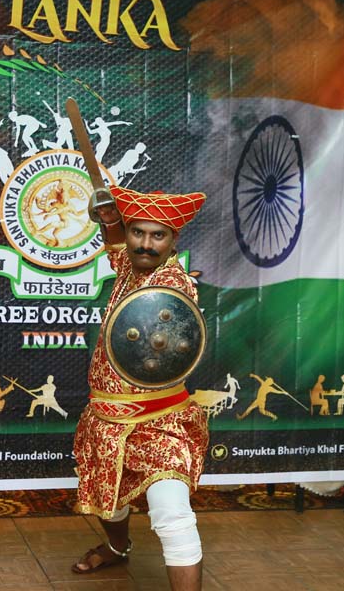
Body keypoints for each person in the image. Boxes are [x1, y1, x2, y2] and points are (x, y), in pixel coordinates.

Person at [72, 184, 208, 591]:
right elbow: (117, 246)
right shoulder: (132, 266)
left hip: (160, 421)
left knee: (173, 516)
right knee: (109, 501)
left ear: (173, 241)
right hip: (106, 419)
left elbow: (173, 325)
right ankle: (117, 549)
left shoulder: (172, 286)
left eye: (158, 236)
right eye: (139, 233)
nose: (146, 245)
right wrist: (111, 221)